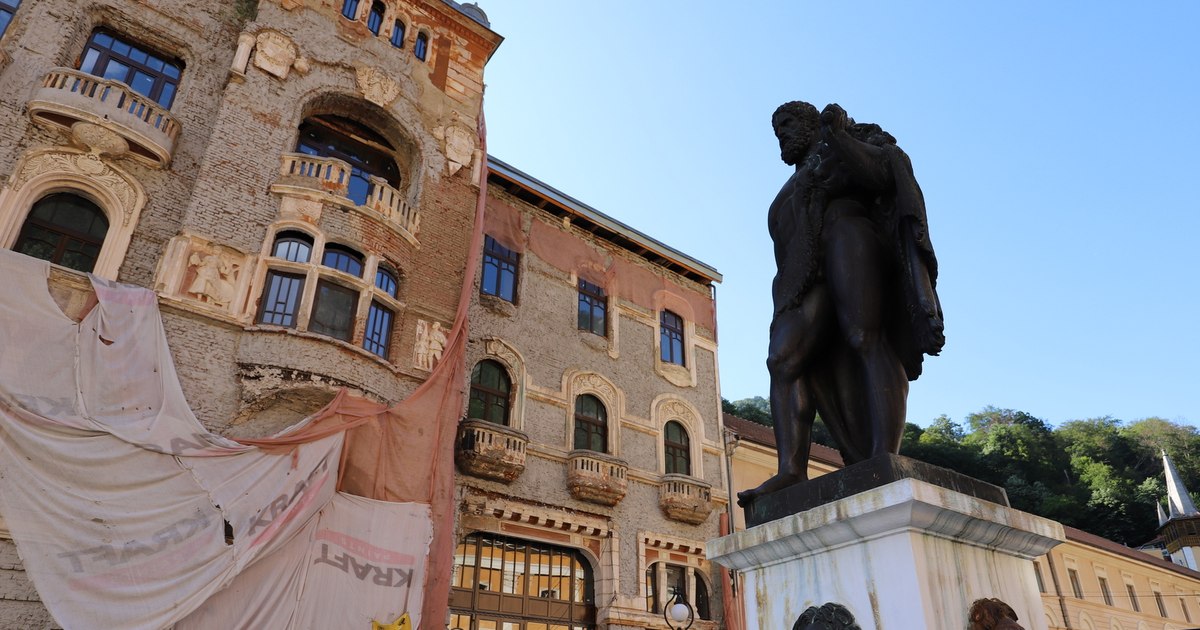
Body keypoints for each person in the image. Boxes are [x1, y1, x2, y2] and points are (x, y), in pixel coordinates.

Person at [738, 102, 944, 506]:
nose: (780, 133)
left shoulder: (844, 140)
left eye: (787, 124)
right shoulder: (783, 194)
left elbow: (886, 173)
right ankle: (791, 470)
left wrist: (841, 136)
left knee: (865, 335)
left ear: (810, 121)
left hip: (848, 238)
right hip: (802, 276)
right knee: (783, 359)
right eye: (775, 129)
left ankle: (884, 454)